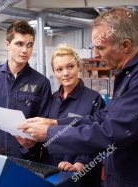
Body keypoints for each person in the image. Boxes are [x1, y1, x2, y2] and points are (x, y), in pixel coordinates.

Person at [19, 7, 138, 186]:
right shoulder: (129, 74)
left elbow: (112, 131)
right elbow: (102, 118)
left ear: (125, 45)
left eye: (100, 47)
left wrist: (49, 133)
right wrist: (55, 123)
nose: (96, 54)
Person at [0, 20, 52, 161]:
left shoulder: (41, 83)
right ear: (7, 45)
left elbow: (45, 124)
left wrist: (34, 142)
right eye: (19, 44)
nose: (25, 50)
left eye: (29, 45)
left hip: (26, 157)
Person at [46, 44, 105, 186]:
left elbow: (98, 137)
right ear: (54, 72)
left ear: (78, 66)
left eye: (70, 66)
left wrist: (79, 164)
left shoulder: (94, 99)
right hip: (52, 172)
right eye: (59, 69)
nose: (65, 73)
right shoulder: (51, 99)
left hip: (81, 176)